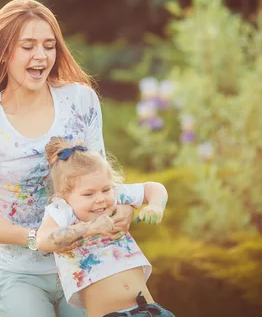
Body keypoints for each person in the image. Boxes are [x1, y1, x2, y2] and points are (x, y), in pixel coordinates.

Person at [0, 0, 138, 317]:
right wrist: (40, 238)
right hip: (20, 275)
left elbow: (101, 180)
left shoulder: (81, 101)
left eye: (49, 46)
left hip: (85, 266)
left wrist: (125, 207)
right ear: (4, 51)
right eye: (28, 46)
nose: (41, 56)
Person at [37, 136, 175, 317]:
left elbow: (154, 188)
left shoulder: (114, 196)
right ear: (64, 196)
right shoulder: (64, 210)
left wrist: (156, 206)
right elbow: (43, 240)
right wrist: (88, 228)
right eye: (88, 194)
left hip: (151, 311)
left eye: (105, 190)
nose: (100, 198)